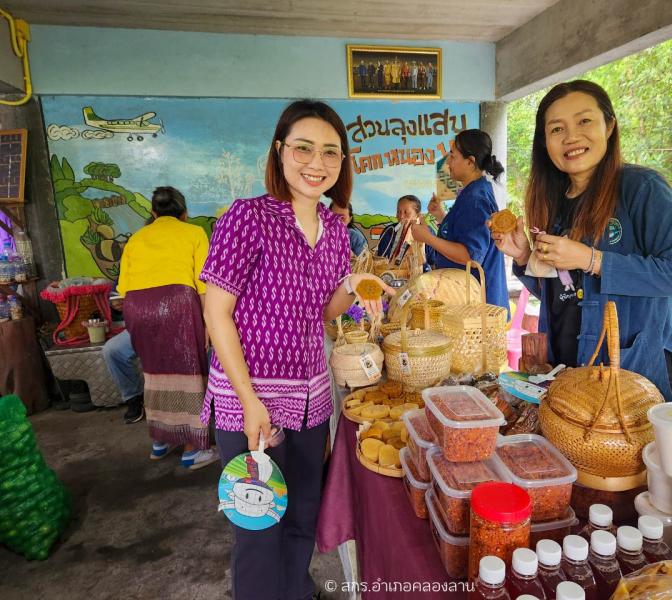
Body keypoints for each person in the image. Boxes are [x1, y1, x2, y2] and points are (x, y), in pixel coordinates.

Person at [201, 99, 393, 600]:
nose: (317, 163)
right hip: (251, 400)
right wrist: (248, 402)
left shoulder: (334, 231)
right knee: (259, 525)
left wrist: (355, 285)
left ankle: (295, 592)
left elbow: (324, 310)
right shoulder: (247, 218)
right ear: (280, 151)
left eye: (331, 152)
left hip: (311, 399)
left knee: (303, 514)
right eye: (303, 148)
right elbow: (216, 314)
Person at [491, 80, 672, 401]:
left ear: (609, 126)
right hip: (565, 371)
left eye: (584, 121)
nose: (572, 136)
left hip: (627, 376)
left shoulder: (640, 189)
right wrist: (523, 257)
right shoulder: (555, 201)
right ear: (544, 142)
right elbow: (564, 293)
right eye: (557, 129)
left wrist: (593, 259)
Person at [116, 186, 216, 469]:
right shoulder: (194, 232)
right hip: (178, 305)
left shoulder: (136, 239)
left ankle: (160, 442)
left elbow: (124, 290)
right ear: (184, 213)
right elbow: (204, 284)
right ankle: (192, 449)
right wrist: (209, 324)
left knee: (153, 373)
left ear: (153, 212)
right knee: (189, 374)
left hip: (137, 307)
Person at [411, 129, 509, 311]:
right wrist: (441, 216)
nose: (448, 162)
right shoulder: (474, 192)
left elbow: (470, 256)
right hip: (473, 301)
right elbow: (464, 232)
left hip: (477, 306)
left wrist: (428, 238)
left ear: (470, 162)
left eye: (453, 156)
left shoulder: (475, 197)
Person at [101, 310, 144, 424]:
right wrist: (119, 307)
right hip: (145, 322)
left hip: (180, 321)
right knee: (113, 350)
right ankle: (134, 397)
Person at [376, 194, 435, 269]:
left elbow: (433, 262)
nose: (401, 216)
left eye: (406, 212)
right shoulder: (389, 231)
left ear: (418, 215)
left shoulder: (428, 232)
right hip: (392, 276)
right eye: (398, 211)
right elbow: (382, 261)